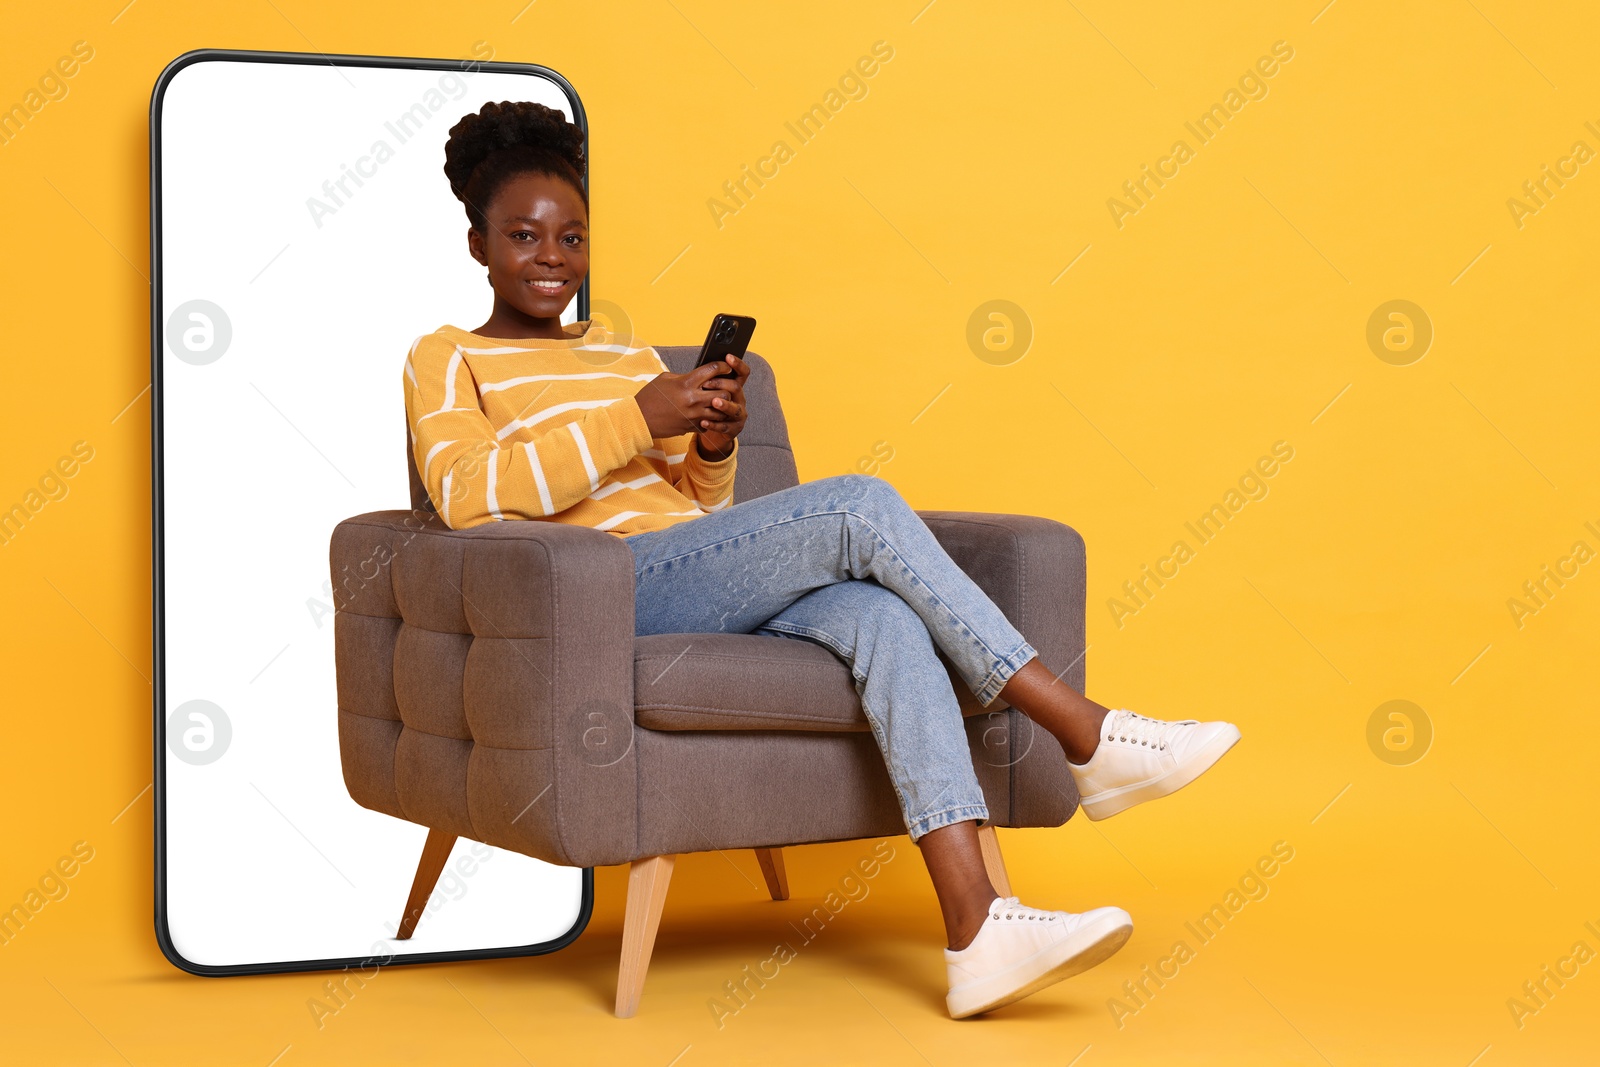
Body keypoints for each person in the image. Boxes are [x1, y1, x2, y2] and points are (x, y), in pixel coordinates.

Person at [406, 100, 1242, 1019]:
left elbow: (691, 506)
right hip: (593, 596)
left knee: (883, 619)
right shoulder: (448, 357)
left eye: (571, 237)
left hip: (690, 571)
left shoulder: (619, 350)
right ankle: (1083, 731)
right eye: (523, 236)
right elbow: (467, 494)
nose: (551, 257)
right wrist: (636, 417)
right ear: (479, 244)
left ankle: (978, 928)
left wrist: (711, 448)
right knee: (856, 504)